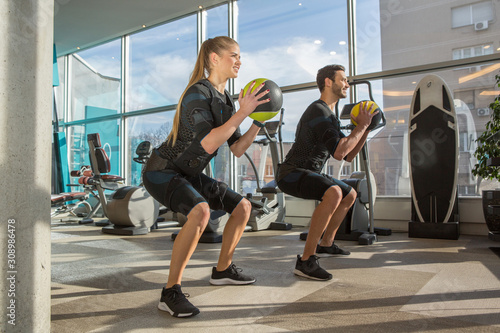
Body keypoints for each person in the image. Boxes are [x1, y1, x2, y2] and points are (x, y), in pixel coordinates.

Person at [143, 36, 270, 318]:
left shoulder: (224, 100)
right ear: (214, 58)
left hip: (188, 172)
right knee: (200, 212)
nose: (240, 61)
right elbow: (209, 144)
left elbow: (237, 148)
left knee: (243, 208)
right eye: (234, 55)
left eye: (240, 56)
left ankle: (223, 270)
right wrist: (244, 112)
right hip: (161, 170)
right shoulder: (197, 93)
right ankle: (170, 292)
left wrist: (257, 122)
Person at [276, 64, 377, 281]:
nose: (347, 84)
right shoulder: (318, 110)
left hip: (310, 172)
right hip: (291, 173)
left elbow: (348, 155)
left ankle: (326, 243)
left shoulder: (330, 116)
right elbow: (340, 152)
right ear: (328, 82)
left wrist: (366, 130)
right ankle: (306, 261)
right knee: (334, 192)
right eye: (343, 79)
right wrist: (361, 126)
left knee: (349, 194)